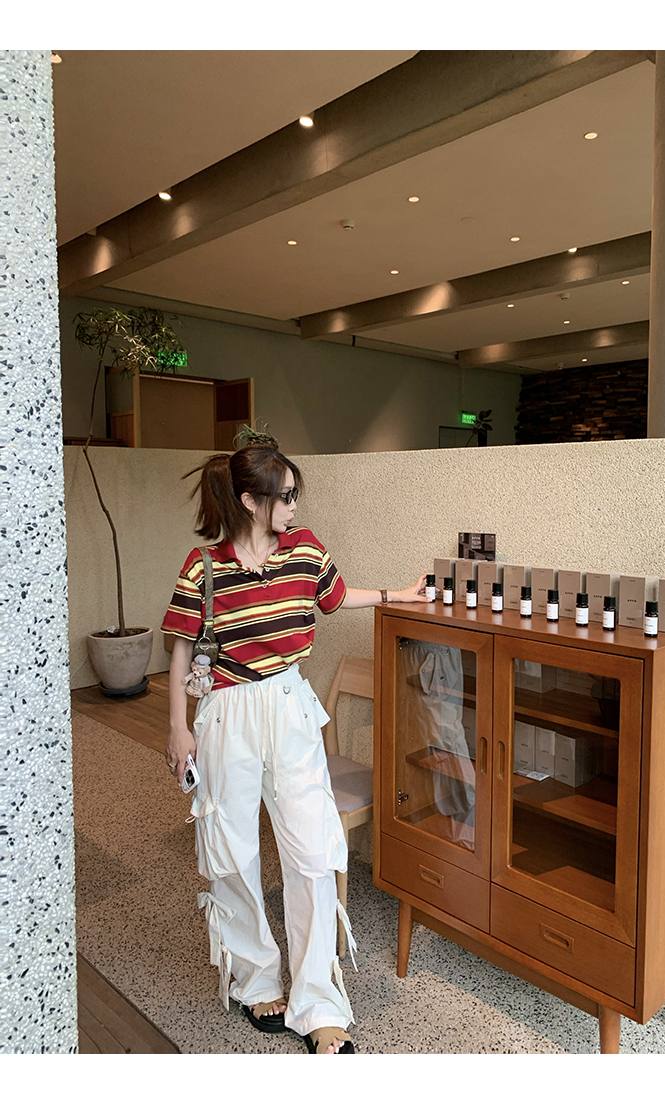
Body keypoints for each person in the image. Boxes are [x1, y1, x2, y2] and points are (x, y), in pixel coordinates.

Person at [162, 437, 428, 1055]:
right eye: (284, 496)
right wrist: (177, 727)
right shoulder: (203, 568)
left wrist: (398, 594)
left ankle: (319, 1001)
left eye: (294, 494)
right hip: (226, 712)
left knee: (311, 849)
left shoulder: (305, 548)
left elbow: (335, 597)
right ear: (249, 500)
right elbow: (180, 650)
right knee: (232, 850)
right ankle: (256, 981)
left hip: (288, 704)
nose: (293, 505)